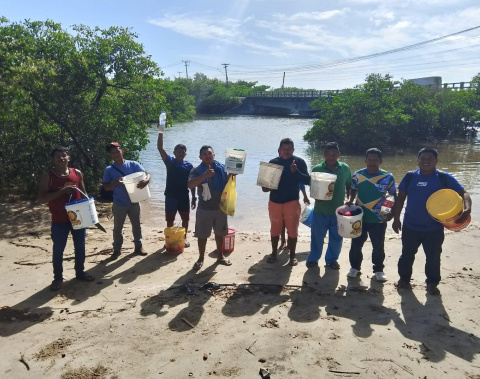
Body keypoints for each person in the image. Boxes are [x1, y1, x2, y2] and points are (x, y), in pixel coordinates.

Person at [392, 147, 472, 295]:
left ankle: (432, 283)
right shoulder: (409, 177)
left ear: (436, 161)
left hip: (434, 228)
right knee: (406, 255)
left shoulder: (444, 177)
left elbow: (464, 193)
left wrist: (467, 210)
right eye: (423, 158)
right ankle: (404, 279)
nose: (426, 161)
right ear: (417, 160)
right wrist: (396, 219)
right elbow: (401, 198)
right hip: (411, 226)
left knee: (433, 257)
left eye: (430, 159)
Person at [38, 147, 95, 291]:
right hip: (59, 219)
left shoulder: (77, 173)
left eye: (64, 156)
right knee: (58, 249)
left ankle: (80, 272)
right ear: (53, 160)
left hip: (78, 217)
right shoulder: (48, 176)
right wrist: (63, 191)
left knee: (80, 246)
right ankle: (57, 278)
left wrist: (91, 211)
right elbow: (42, 199)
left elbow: (84, 193)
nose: (61, 159)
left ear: (68, 158)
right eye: (58, 156)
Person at [345, 148, 396, 282]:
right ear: (365, 160)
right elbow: (353, 190)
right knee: (356, 245)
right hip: (359, 217)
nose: (372, 163)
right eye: (370, 160)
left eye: (375, 160)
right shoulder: (357, 175)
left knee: (378, 246)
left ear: (381, 161)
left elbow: (391, 196)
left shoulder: (388, 177)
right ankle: (355, 267)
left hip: (378, 218)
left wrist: (389, 214)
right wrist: (350, 200)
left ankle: (378, 270)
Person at [262, 138, 310, 266]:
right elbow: (264, 189)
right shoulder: (273, 163)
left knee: (292, 230)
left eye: (289, 149)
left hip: (292, 201)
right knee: (274, 229)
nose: (286, 151)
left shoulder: (299, 162)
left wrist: (296, 172)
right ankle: (273, 253)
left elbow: (308, 181)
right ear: (279, 150)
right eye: (284, 149)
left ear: (293, 150)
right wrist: (268, 186)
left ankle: (292, 256)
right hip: (275, 201)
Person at [306, 142, 352, 269]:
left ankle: (331, 260)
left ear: (339, 155)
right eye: (329, 154)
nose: (331, 157)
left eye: (334, 154)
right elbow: (313, 189)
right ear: (324, 154)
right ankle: (313, 259)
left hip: (338, 211)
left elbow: (350, 185)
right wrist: (316, 198)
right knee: (317, 238)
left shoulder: (345, 168)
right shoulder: (317, 169)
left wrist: (349, 198)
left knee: (336, 238)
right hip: (320, 210)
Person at [103, 142, 150, 259]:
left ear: (122, 151)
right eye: (112, 153)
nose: (115, 154)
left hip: (135, 201)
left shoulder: (133, 164)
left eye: (117, 151)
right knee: (117, 228)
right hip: (119, 203)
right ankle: (117, 249)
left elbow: (146, 174)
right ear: (110, 156)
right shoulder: (109, 170)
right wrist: (115, 183)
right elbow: (106, 187)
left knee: (137, 225)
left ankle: (138, 247)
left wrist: (146, 181)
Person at [188, 145, 232, 270]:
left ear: (214, 155)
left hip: (220, 207)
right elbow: (190, 184)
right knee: (202, 235)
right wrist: (205, 176)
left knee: (220, 233)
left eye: (209, 153)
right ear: (200, 156)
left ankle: (220, 256)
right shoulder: (196, 170)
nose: (207, 156)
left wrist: (231, 175)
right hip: (204, 208)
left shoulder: (222, 168)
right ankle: (201, 258)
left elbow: (229, 185)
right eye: (204, 154)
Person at [157, 132, 196, 247]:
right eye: (178, 151)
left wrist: (194, 197)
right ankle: (169, 238)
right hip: (170, 196)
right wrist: (160, 131)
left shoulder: (189, 166)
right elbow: (160, 148)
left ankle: (184, 238)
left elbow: (192, 182)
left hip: (184, 196)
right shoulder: (170, 162)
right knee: (170, 220)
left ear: (185, 154)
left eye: (183, 152)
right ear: (174, 153)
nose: (180, 153)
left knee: (185, 219)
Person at [280, 184, 310, 250]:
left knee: (291, 224)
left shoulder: (295, 173)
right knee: (282, 223)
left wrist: (305, 196)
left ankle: (289, 241)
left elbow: (301, 184)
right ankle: (283, 241)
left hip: (293, 201)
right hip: (280, 200)